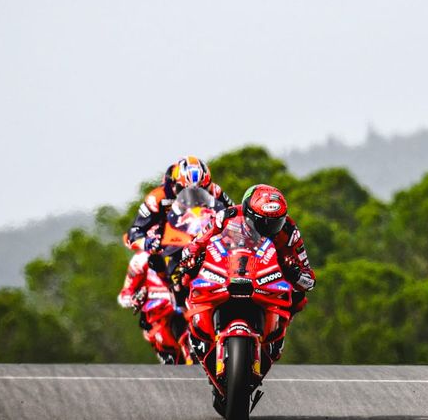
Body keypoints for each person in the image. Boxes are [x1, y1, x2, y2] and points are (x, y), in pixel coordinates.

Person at [180, 183, 315, 374]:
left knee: (300, 297)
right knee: (185, 277)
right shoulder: (226, 217)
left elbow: (309, 279)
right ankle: (198, 325)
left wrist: (294, 272)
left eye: (275, 222)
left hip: (268, 280)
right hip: (230, 270)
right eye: (263, 223)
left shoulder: (290, 231)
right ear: (249, 214)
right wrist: (192, 257)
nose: (269, 229)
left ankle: (275, 335)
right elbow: (195, 245)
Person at [116, 156, 233, 353]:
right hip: (169, 239)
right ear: (174, 185)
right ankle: (133, 292)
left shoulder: (215, 191)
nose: (195, 195)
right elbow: (134, 231)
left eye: (201, 190)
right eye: (185, 190)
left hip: (203, 237)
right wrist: (148, 241)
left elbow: (233, 214)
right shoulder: (157, 198)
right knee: (142, 258)